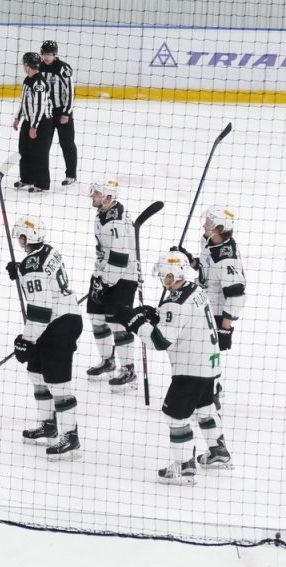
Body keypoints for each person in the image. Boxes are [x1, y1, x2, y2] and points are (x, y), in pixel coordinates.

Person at [115, 251, 232, 484]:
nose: (161, 279)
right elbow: (180, 320)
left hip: (190, 370)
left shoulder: (174, 303)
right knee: (205, 408)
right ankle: (219, 451)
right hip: (209, 363)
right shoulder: (195, 290)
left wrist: (136, 323)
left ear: (171, 274)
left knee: (174, 416)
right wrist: (154, 314)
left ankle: (184, 468)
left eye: (162, 275)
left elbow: (160, 341)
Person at [6, 217, 83, 460]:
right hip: (58, 321)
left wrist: (26, 341)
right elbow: (44, 281)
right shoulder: (48, 251)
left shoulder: (31, 267)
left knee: (58, 384)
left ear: (24, 239)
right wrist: (19, 271)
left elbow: (40, 309)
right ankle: (49, 424)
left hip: (58, 324)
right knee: (36, 373)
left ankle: (70, 437)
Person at [172, 207, 246, 409]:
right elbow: (205, 269)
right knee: (196, 349)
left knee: (207, 353)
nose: (204, 225)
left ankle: (211, 393)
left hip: (217, 313)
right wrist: (188, 259)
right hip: (203, 306)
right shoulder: (210, 241)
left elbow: (236, 294)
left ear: (218, 228)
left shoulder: (226, 258)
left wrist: (226, 326)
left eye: (208, 223)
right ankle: (208, 386)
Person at [85, 178, 139, 390]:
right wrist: (100, 278)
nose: (93, 196)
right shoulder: (104, 213)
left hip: (122, 278)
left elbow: (119, 258)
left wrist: (105, 282)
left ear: (109, 197)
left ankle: (128, 370)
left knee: (117, 322)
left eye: (97, 193)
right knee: (97, 317)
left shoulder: (115, 221)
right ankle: (108, 361)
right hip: (103, 275)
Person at [12, 52, 53, 193]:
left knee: (40, 153)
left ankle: (41, 183)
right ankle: (27, 178)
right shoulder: (27, 80)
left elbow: (40, 106)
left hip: (42, 123)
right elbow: (24, 101)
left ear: (27, 65)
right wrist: (18, 117)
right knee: (24, 150)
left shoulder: (39, 83)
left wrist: (34, 126)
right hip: (29, 121)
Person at [39, 41, 77, 187]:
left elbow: (71, 92)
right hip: (46, 113)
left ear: (55, 54)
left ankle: (71, 174)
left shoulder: (63, 69)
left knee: (67, 143)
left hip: (62, 112)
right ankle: (39, 175)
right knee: (43, 145)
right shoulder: (39, 66)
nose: (46, 56)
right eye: (44, 53)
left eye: (49, 54)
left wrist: (66, 113)